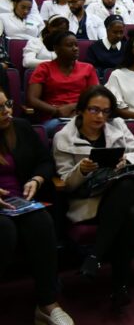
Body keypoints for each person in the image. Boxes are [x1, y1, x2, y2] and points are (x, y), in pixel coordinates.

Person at [53, 86, 134, 308]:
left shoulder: (117, 126)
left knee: (126, 185)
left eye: (105, 111)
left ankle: (95, 255)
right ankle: (121, 286)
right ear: (80, 110)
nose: (100, 116)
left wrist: (126, 161)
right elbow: (66, 182)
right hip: (94, 201)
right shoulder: (64, 138)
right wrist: (81, 169)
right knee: (130, 214)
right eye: (94, 110)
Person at [0, 89, 74, 325]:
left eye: (8, 104)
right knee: (5, 231)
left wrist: (36, 180)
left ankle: (47, 303)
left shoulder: (19, 127)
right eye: (0, 108)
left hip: (19, 200)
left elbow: (45, 161)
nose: (8, 111)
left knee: (41, 222)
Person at [27, 31, 99, 134]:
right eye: (70, 45)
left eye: (76, 45)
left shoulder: (88, 68)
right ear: (56, 49)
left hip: (83, 115)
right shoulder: (44, 68)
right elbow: (32, 99)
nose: (75, 48)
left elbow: (97, 97)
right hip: (54, 118)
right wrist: (56, 111)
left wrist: (74, 107)